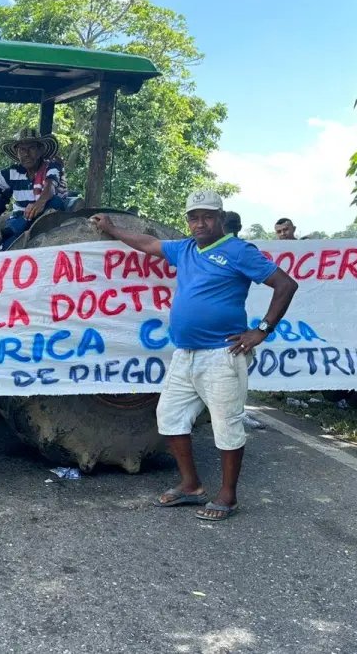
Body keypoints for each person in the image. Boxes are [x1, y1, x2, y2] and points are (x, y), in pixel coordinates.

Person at [91, 190, 298, 522]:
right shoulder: (185, 249)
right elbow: (147, 244)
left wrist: (262, 330)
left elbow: (285, 284)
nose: (200, 223)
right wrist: (113, 229)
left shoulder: (238, 251)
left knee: (226, 425)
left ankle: (227, 497)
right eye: (193, 217)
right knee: (170, 417)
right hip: (185, 354)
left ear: (219, 218)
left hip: (222, 355)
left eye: (207, 217)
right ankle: (191, 486)